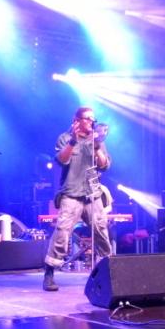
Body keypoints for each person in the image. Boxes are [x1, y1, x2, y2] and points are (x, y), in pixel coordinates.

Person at [43, 107, 112, 291]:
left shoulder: (96, 139)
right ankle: (49, 272)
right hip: (71, 193)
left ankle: (110, 272)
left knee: (101, 231)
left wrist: (97, 146)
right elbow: (62, 160)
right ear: (77, 120)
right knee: (62, 232)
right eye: (88, 118)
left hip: (93, 194)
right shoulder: (65, 138)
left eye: (93, 119)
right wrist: (73, 141)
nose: (92, 122)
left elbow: (104, 165)